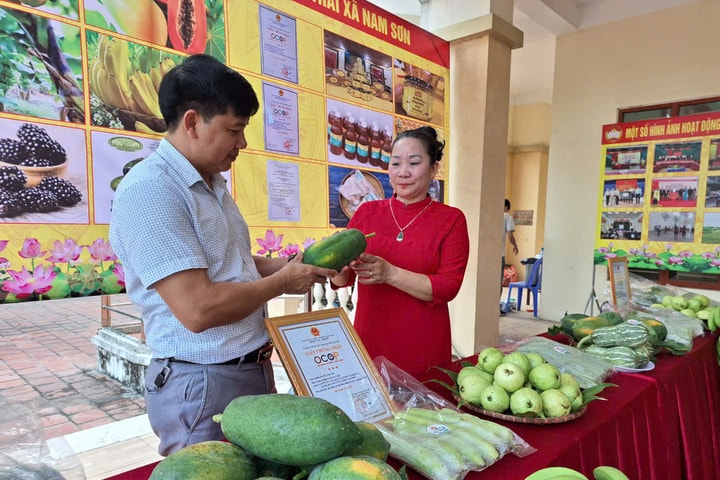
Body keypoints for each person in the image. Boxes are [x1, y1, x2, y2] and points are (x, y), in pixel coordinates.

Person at [108, 54, 336, 456]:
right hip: (202, 383)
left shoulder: (211, 183)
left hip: (249, 367)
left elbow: (235, 265)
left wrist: (293, 266)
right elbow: (199, 308)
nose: (242, 144)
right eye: (234, 129)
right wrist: (283, 283)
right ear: (193, 122)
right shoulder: (152, 191)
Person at [330, 126, 469, 378]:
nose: (403, 172)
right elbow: (343, 279)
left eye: (414, 163)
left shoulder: (451, 220)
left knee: (423, 413)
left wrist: (390, 274)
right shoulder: (366, 213)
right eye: (395, 163)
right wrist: (335, 266)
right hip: (370, 342)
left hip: (423, 346)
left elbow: (448, 286)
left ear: (433, 169)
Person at [502, 198, 519, 292]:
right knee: (497, 282)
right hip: (500, 254)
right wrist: (515, 246)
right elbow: (510, 235)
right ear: (506, 207)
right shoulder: (507, 217)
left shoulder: (491, 214)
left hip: (487, 254)